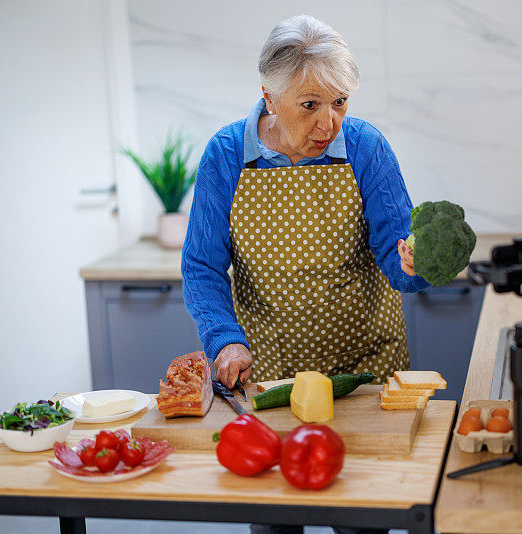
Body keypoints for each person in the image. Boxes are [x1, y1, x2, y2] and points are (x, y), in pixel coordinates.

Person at [182, 14, 427, 398]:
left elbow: (397, 253)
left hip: (366, 371)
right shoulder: (226, 155)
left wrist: (418, 262)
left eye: (339, 103)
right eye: (310, 104)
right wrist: (224, 339)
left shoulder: (366, 147)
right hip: (269, 373)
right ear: (270, 98)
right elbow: (202, 266)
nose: (328, 125)